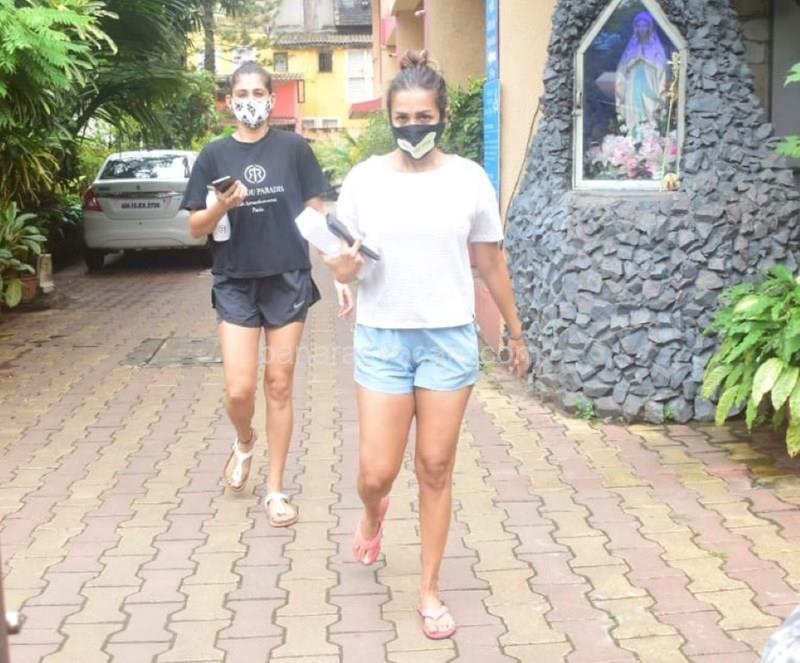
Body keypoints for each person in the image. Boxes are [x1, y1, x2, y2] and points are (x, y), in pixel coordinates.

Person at [322, 50, 529, 640]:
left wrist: (515, 333)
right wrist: (342, 273)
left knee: (435, 467)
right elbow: (343, 260)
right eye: (403, 118)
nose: (413, 127)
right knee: (376, 473)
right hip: (383, 339)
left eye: (424, 117)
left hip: (448, 341)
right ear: (390, 119)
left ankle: (430, 590)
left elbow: (490, 260)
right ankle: (372, 515)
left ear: (441, 116)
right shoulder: (365, 181)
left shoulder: (468, 179)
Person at [182, 61, 352, 527]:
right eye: (242, 93)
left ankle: (275, 489)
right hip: (235, 280)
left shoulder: (294, 149)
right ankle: (244, 441)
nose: (250, 101)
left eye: (259, 92)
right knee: (239, 389)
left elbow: (314, 215)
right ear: (229, 101)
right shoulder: (213, 155)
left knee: (279, 382)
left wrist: (337, 269)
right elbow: (195, 227)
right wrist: (221, 206)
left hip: (287, 279)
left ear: (272, 98)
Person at [615, 10, 669, 136]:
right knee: (633, 109)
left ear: (649, 27)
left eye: (644, 26)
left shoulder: (655, 47)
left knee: (650, 108)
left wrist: (645, 59)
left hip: (650, 83)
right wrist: (635, 60)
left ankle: (651, 136)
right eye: (639, 26)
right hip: (633, 84)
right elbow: (623, 68)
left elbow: (661, 67)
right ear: (636, 28)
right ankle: (633, 135)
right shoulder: (632, 47)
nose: (642, 29)